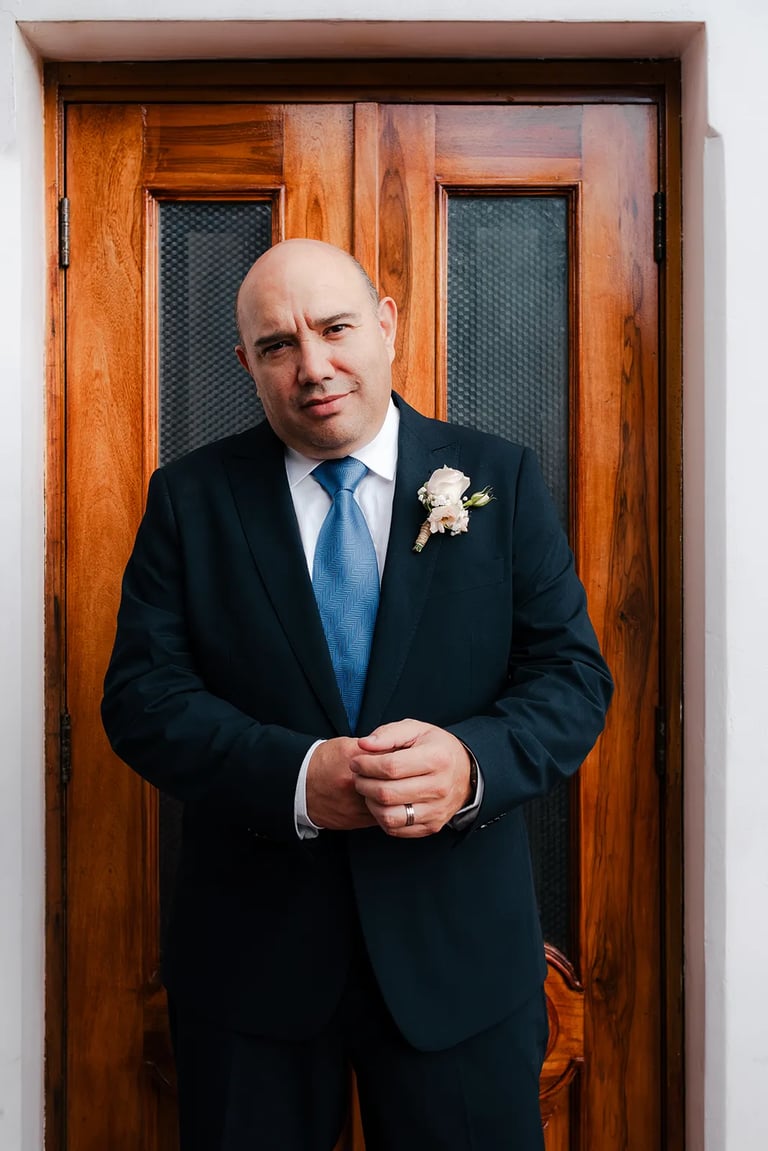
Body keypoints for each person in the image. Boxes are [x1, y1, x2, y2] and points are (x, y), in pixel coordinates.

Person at [102, 238, 613, 1151]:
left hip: (458, 965)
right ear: (247, 364)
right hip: (251, 969)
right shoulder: (190, 500)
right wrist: (297, 778)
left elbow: (573, 678)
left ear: (384, 323)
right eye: (277, 346)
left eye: (335, 328)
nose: (314, 367)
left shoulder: (500, 477)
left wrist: (469, 763)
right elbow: (142, 698)